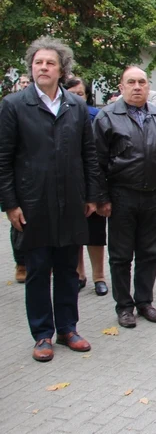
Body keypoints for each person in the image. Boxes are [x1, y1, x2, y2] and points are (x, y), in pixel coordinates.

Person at [0, 37, 102, 361]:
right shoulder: (14, 105)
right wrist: (10, 204)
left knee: (68, 270)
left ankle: (68, 329)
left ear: (62, 70)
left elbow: (89, 154)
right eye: (38, 62)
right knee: (38, 269)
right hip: (33, 203)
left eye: (50, 63)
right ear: (32, 67)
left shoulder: (75, 107)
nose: (43, 67)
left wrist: (91, 195)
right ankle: (42, 334)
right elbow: (3, 159)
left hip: (72, 201)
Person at [94, 66, 156, 328]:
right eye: (131, 82)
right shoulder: (107, 117)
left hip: (154, 196)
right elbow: (96, 162)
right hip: (121, 196)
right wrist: (102, 198)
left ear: (148, 86)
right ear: (121, 87)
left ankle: (144, 302)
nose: (137, 87)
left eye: (141, 82)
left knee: (148, 253)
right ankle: (124, 306)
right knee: (121, 256)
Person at [65, 77, 108, 296]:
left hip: (94, 183)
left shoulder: (95, 116)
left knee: (95, 233)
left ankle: (99, 276)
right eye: (71, 93)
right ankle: (78, 274)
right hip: (69, 186)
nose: (76, 98)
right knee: (74, 233)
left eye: (80, 94)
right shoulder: (60, 116)